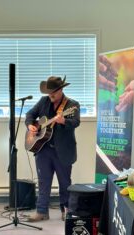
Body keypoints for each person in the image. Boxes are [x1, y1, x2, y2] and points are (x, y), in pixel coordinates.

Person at [24, 76, 80, 222]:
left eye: (53, 92)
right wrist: (30, 125)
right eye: (49, 92)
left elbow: (75, 122)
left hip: (63, 150)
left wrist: (64, 121)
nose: (51, 95)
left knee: (65, 182)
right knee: (43, 182)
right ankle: (42, 211)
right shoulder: (44, 101)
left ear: (61, 90)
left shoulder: (72, 105)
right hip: (43, 149)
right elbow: (30, 114)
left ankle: (65, 210)